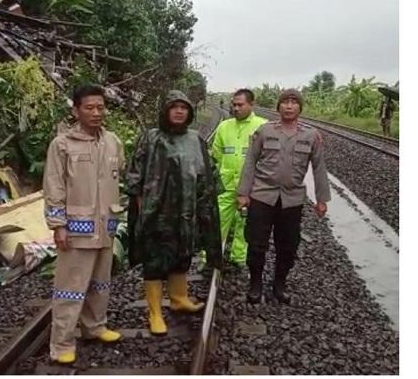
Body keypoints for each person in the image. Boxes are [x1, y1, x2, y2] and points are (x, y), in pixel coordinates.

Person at [126, 90, 223, 335]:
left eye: (184, 107)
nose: (179, 111)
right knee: (155, 262)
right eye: (174, 107)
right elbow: (135, 176)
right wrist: (141, 211)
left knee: (182, 254)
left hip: (186, 212)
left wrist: (205, 209)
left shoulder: (196, 139)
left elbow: (207, 175)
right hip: (156, 213)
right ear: (165, 110)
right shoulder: (151, 138)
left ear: (189, 112)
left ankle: (179, 298)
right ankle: (155, 312)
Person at [42, 84, 125, 364]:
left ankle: (94, 327)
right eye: (89, 107)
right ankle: (62, 343)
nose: (96, 112)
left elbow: (117, 176)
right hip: (76, 229)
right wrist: (58, 225)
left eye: (100, 107)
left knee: (100, 284)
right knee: (70, 288)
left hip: (106, 227)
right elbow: (54, 186)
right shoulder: (62, 145)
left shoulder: (112, 141)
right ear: (76, 110)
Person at [237, 89, 331, 304]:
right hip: (262, 196)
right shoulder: (264, 131)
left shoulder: (311, 135)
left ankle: (279, 283)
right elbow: (250, 162)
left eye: (293, 103)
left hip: (292, 199)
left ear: (300, 108)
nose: (289, 106)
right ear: (278, 107)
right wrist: (243, 193)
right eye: (285, 102)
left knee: (288, 245)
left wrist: (321, 199)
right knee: (256, 243)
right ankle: (255, 283)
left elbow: (319, 168)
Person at [200, 88, 267, 268]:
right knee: (217, 221)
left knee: (244, 224)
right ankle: (210, 258)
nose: (236, 108)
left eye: (240, 105)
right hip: (226, 184)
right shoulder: (224, 126)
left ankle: (239, 258)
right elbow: (216, 155)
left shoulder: (263, 127)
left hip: (252, 186)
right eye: (234, 105)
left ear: (251, 105)